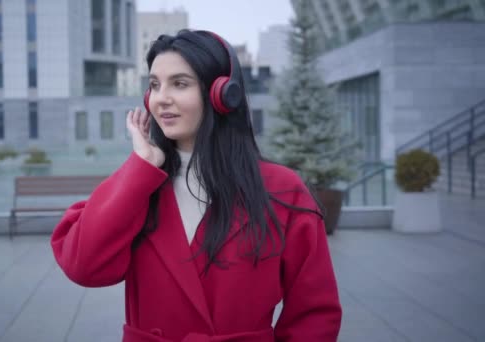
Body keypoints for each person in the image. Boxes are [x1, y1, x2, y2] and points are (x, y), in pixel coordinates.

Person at [51, 29, 342, 342]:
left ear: (221, 93)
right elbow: (83, 267)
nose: (161, 98)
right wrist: (141, 167)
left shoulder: (282, 188)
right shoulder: (141, 184)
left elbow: (314, 313)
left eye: (180, 83)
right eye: (154, 85)